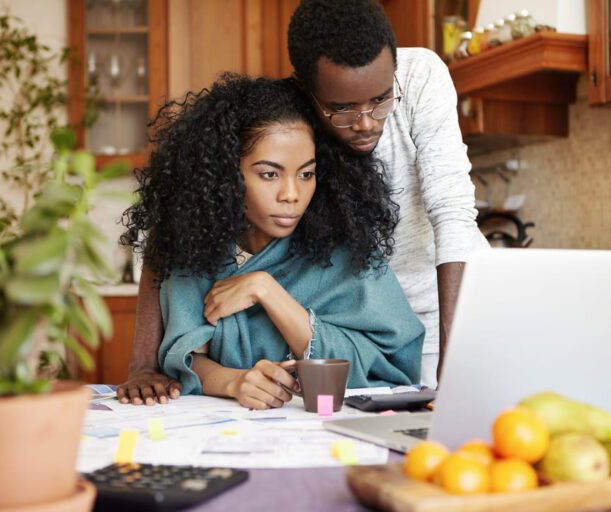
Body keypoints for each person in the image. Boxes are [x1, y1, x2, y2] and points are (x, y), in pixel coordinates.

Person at [117, 0, 485, 404]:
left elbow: (452, 212)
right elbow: (171, 230)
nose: (366, 122)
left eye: (381, 100)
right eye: (342, 109)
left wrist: (458, 357)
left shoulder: (419, 78)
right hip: (342, 324)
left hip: (438, 313)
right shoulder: (289, 119)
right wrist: (142, 364)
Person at [120, 75, 424, 408]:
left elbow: (391, 365)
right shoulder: (196, 247)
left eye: (306, 174)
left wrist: (265, 290)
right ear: (226, 175)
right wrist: (236, 382)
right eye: (269, 174)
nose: (291, 194)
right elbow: (185, 357)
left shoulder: (348, 253)